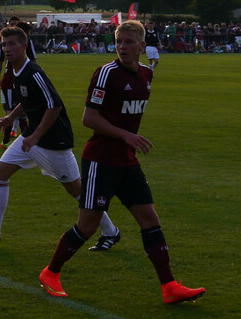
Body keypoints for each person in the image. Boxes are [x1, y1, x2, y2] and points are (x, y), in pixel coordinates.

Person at [38, 20, 205, 304]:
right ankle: (51, 272)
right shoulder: (106, 73)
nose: (122, 47)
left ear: (142, 45)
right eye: (119, 41)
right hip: (101, 160)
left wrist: (128, 139)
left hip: (126, 162)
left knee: (150, 219)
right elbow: (88, 118)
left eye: (129, 42)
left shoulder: (146, 76)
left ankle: (169, 286)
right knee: (88, 227)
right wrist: (126, 135)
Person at [0, 26, 119, 249]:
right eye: (4, 44)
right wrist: (10, 117)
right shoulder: (15, 70)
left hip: (54, 142)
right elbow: (28, 102)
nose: (7, 49)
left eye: (12, 44)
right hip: (32, 137)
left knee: (77, 190)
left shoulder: (33, 72)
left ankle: (111, 231)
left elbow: (53, 106)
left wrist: (35, 136)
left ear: (24, 46)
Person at [0, 18, 35, 148]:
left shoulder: (27, 44)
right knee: (11, 111)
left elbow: (33, 61)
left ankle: (20, 140)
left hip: (19, 81)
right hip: (9, 82)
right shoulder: (5, 45)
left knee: (19, 113)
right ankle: (9, 141)